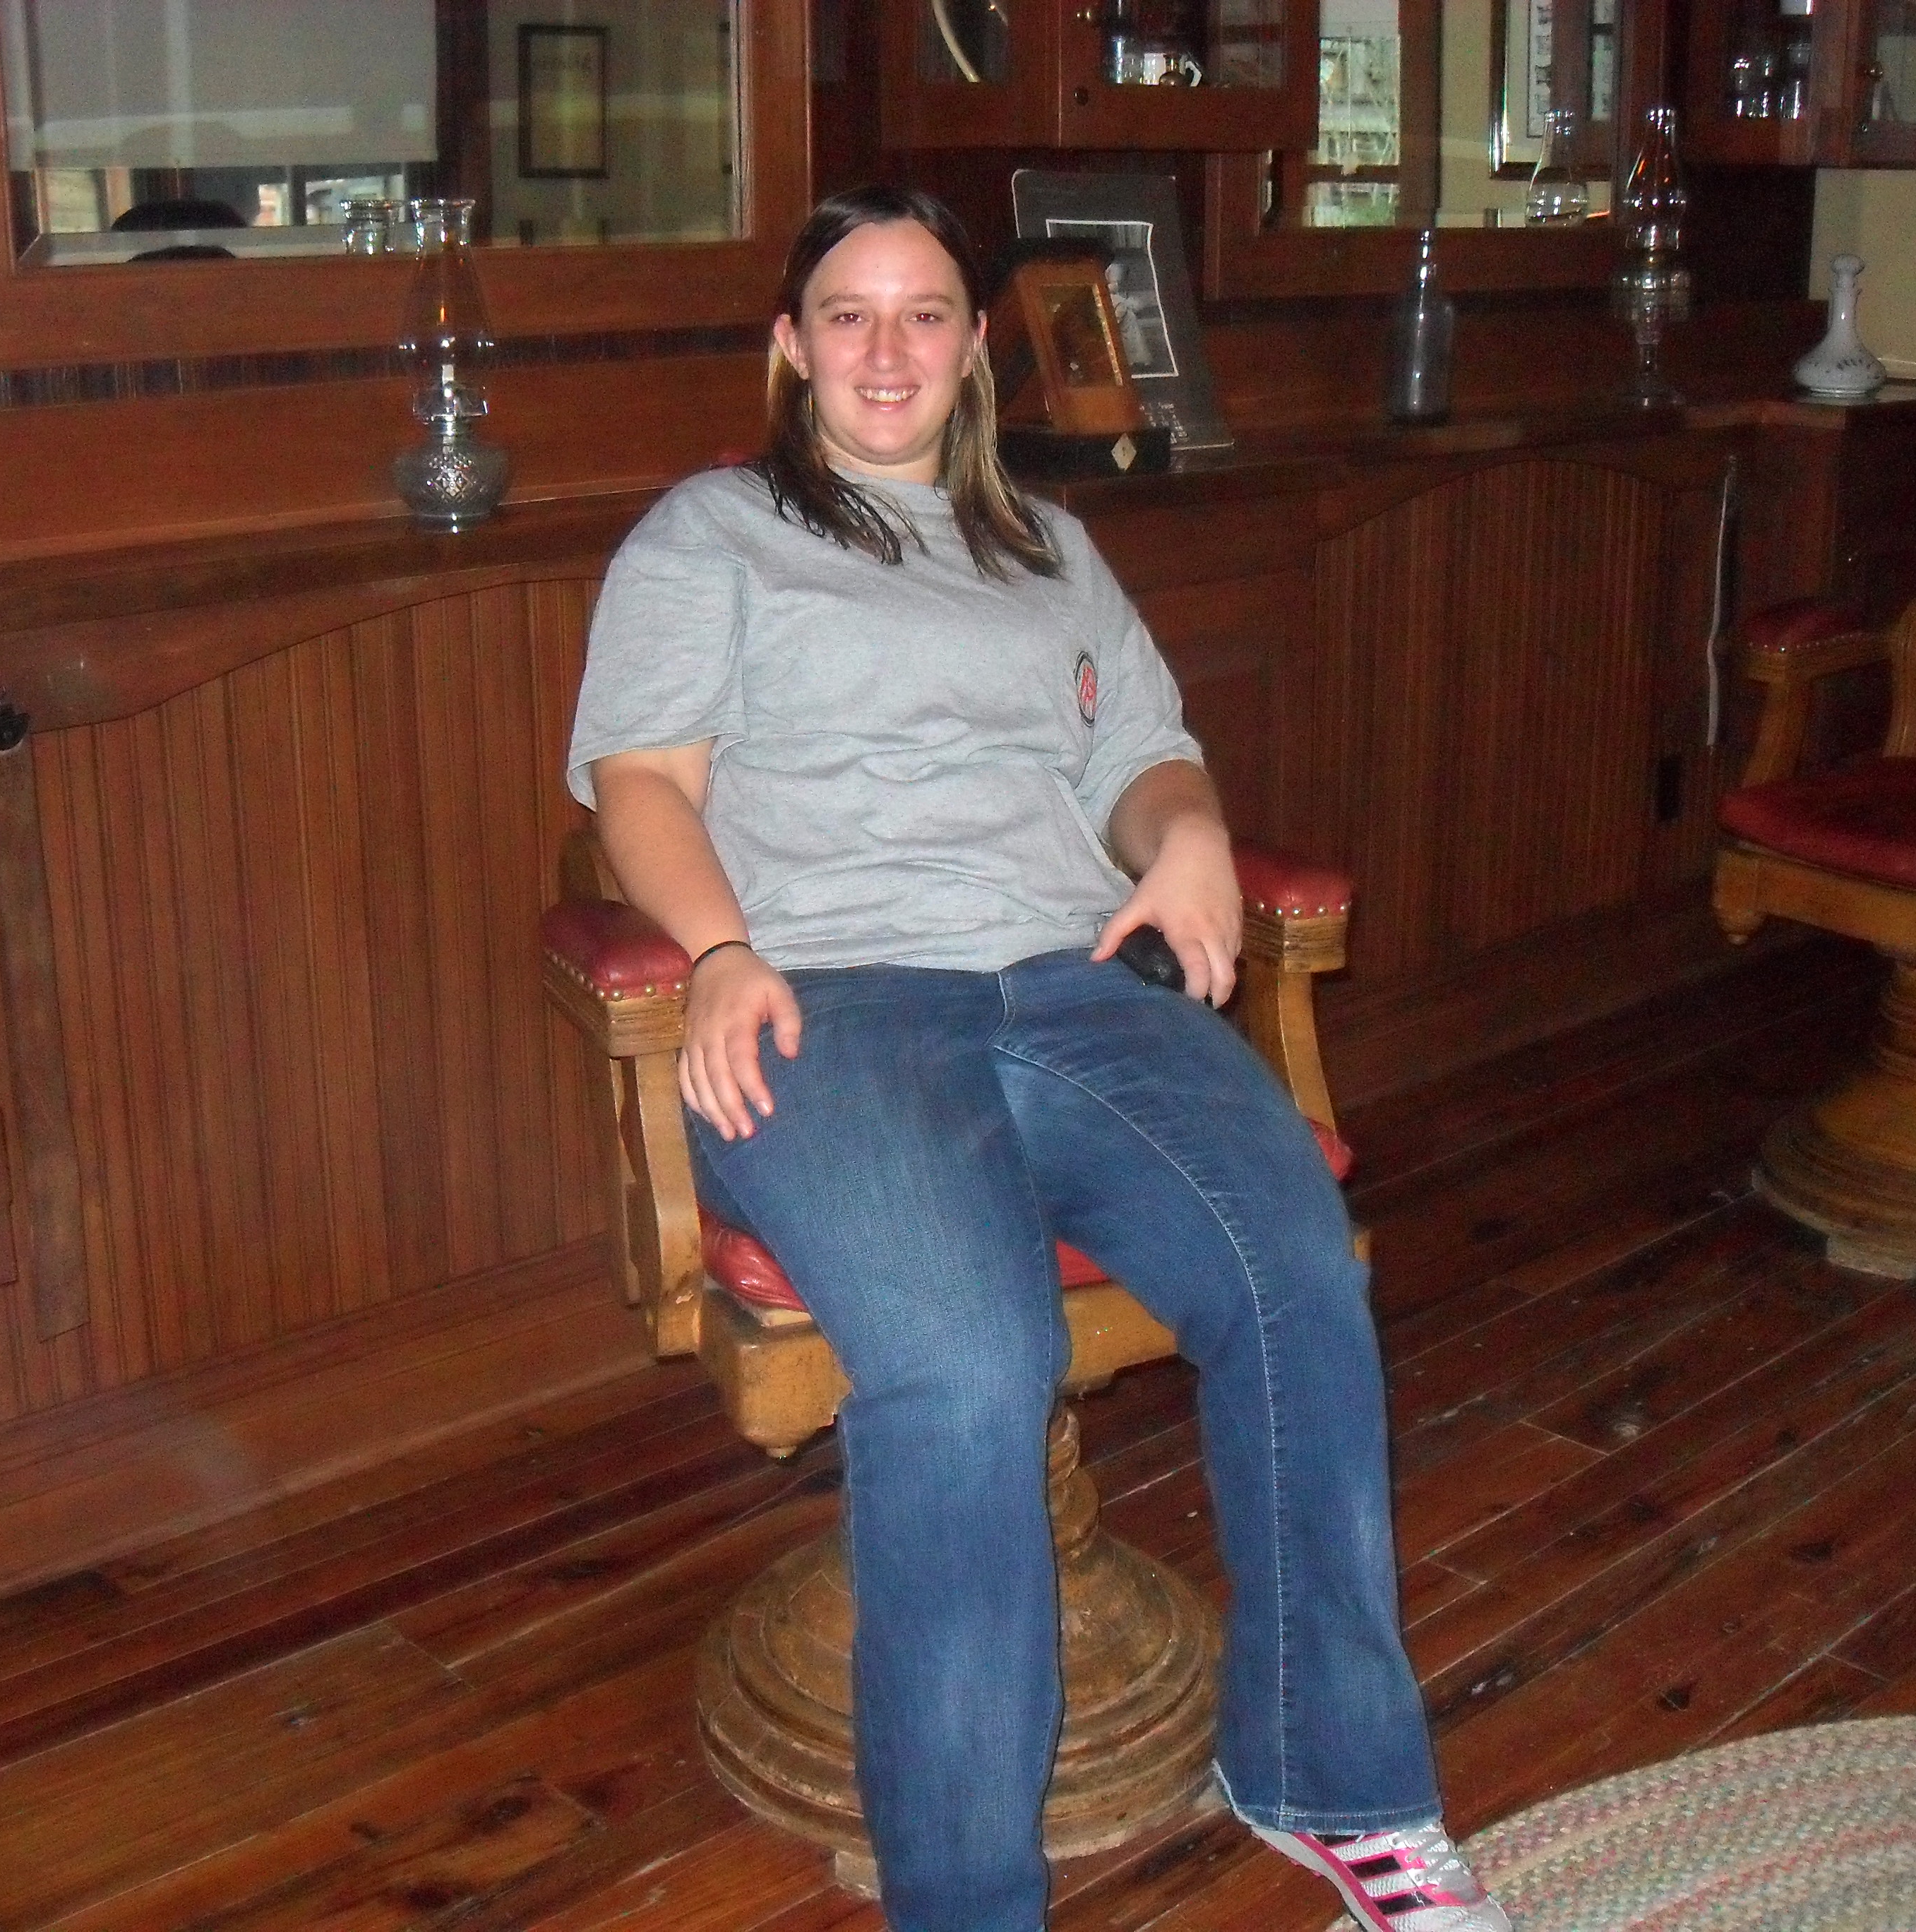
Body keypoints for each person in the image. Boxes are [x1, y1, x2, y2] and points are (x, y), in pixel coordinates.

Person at [565, 185, 1510, 1932]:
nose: (888, 350)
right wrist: (716, 954)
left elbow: (1144, 758)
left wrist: (1192, 835)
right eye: (848, 315)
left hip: (1070, 988)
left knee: (1298, 1274)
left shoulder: (1051, 551)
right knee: (969, 1365)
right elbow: (642, 783)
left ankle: (1335, 1782)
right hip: (830, 1003)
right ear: (790, 348)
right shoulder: (712, 535)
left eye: (925, 313)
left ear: (975, 349)